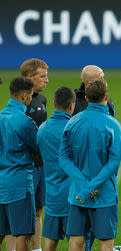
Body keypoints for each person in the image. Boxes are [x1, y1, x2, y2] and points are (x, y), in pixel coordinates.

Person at [59, 78, 121, 251]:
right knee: (106, 242)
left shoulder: (72, 122)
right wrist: (92, 187)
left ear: (86, 98)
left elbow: (63, 158)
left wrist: (84, 186)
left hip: (78, 194)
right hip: (104, 195)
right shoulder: (113, 125)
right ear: (106, 97)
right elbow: (114, 162)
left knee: (76, 239)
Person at [36, 87, 76, 251]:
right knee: (78, 242)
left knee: (50, 243)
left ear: (53, 103)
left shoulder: (42, 129)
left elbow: (39, 154)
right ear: (72, 105)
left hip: (52, 196)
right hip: (73, 197)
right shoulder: (74, 128)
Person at [0, 77, 37, 251]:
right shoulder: (24, 121)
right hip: (19, 186)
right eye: (30, 95)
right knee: (23, 235)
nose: (31, 99)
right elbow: (39, 148)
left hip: (1, 184)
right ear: (24, 96)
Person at [20, 58, 49, 251]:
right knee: (22, 214)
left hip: (41, 163)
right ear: (29, 78)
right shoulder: (23, 101)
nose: (46, 80)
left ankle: (37, 249)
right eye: (42, 76)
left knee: (39, 210)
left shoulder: (42, 99)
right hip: (26, 165)